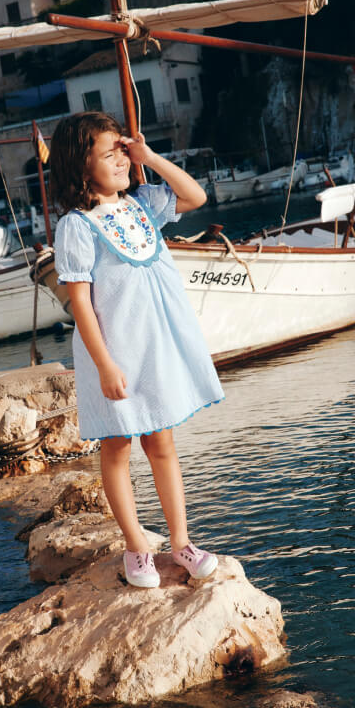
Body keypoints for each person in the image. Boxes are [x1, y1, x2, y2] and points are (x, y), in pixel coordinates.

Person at [50, 111, 225, 589]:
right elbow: (81, 304)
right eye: (110, 154)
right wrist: (105, 363)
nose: (121, 161)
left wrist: (149, 157)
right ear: (81, 167)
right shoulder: (77, 225)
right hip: (113, 352)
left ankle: (181, 541)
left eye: (122, 151)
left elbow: (195, 196)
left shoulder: (143, 204)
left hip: (152, 347)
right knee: (118, 444)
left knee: (162, 442)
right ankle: (136, 547)